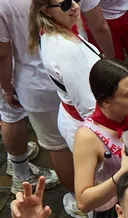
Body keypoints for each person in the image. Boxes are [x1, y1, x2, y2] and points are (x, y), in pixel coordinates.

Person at [73, 58, 128, 218]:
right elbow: (83, 202)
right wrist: (122, 174)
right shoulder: (87, 137)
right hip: (113, 216)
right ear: (106, 101)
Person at [0, 0, 67, 191]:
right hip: (25, 70)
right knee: (12, 116)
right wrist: (6, 86)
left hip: (28, 70)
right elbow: (2, 55)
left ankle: (19, 165)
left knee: (11, 116)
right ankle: (21, 174)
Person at [29, 0, 102, 152]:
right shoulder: (65, 48)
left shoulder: (53, 32)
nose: (75, 6)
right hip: (91, 126)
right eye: (66, 4)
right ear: (47, 10)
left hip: (77, 119)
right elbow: (88, 108)